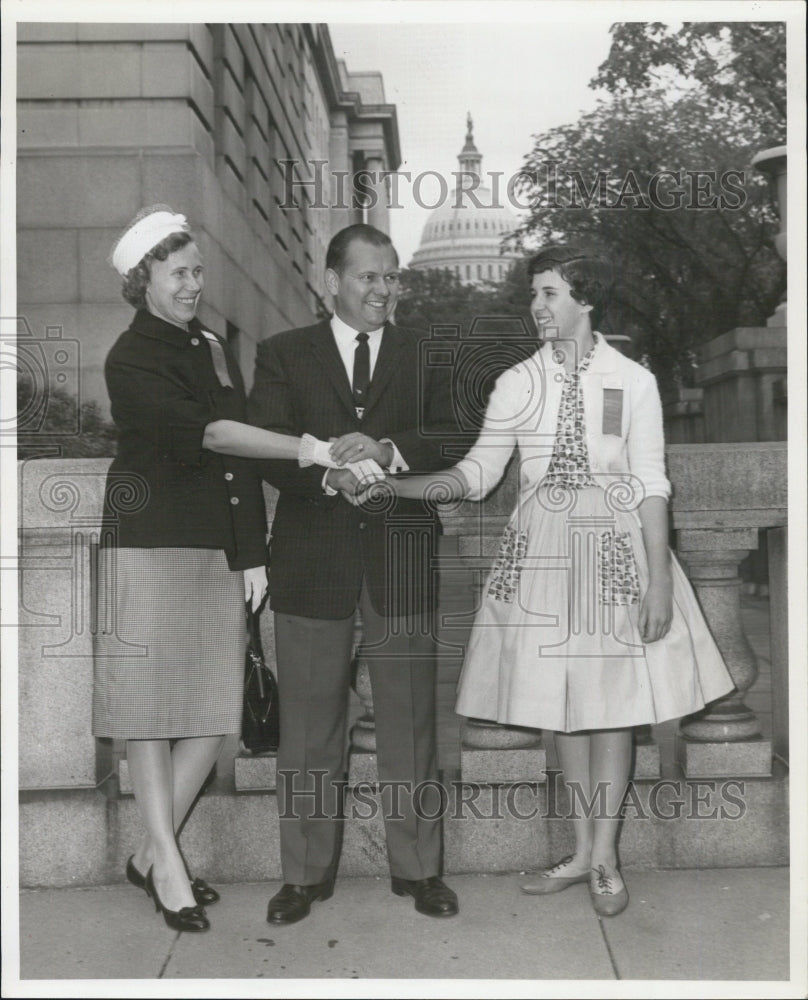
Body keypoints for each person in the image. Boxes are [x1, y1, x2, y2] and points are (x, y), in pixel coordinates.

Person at [376, 245, 734, 917]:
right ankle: (580, 851)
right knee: (564, 709)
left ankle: (605, 858)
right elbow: (479, 474)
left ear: (585, 300)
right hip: (541, 553)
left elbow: (651, 482)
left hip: (614, 552)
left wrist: (659, 580)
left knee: (613, 708)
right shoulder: (517, 382)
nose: (536, 306)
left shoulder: (632, 381)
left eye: (549, 293)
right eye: (534, 294)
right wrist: (395, 485)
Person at [93, 206, 366, 932]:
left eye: (198, 271)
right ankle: (168, 866)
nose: (193, 284)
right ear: (142, 279)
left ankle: (150, 856)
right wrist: (310, 448)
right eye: (178, 273)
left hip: (216, 546)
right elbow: (214, 435)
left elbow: (238, 466)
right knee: (150, 714)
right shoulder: (130, 357)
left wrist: (252, 554)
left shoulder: (211, 344)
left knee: (216, 714)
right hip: (148, 542)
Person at [247, 223, 461, 924]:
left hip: (402, 557)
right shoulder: (283, 354)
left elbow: (455, 433)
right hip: (313, 559)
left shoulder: (425, 352)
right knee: (309, 728)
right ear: (332, 281)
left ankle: (420, 870)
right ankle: (303, 877)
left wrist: (389, 448)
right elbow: (268, 446)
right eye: (369, 276)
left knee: (411, 722)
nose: (383, 289)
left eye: (391, 276)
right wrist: (328, 475)